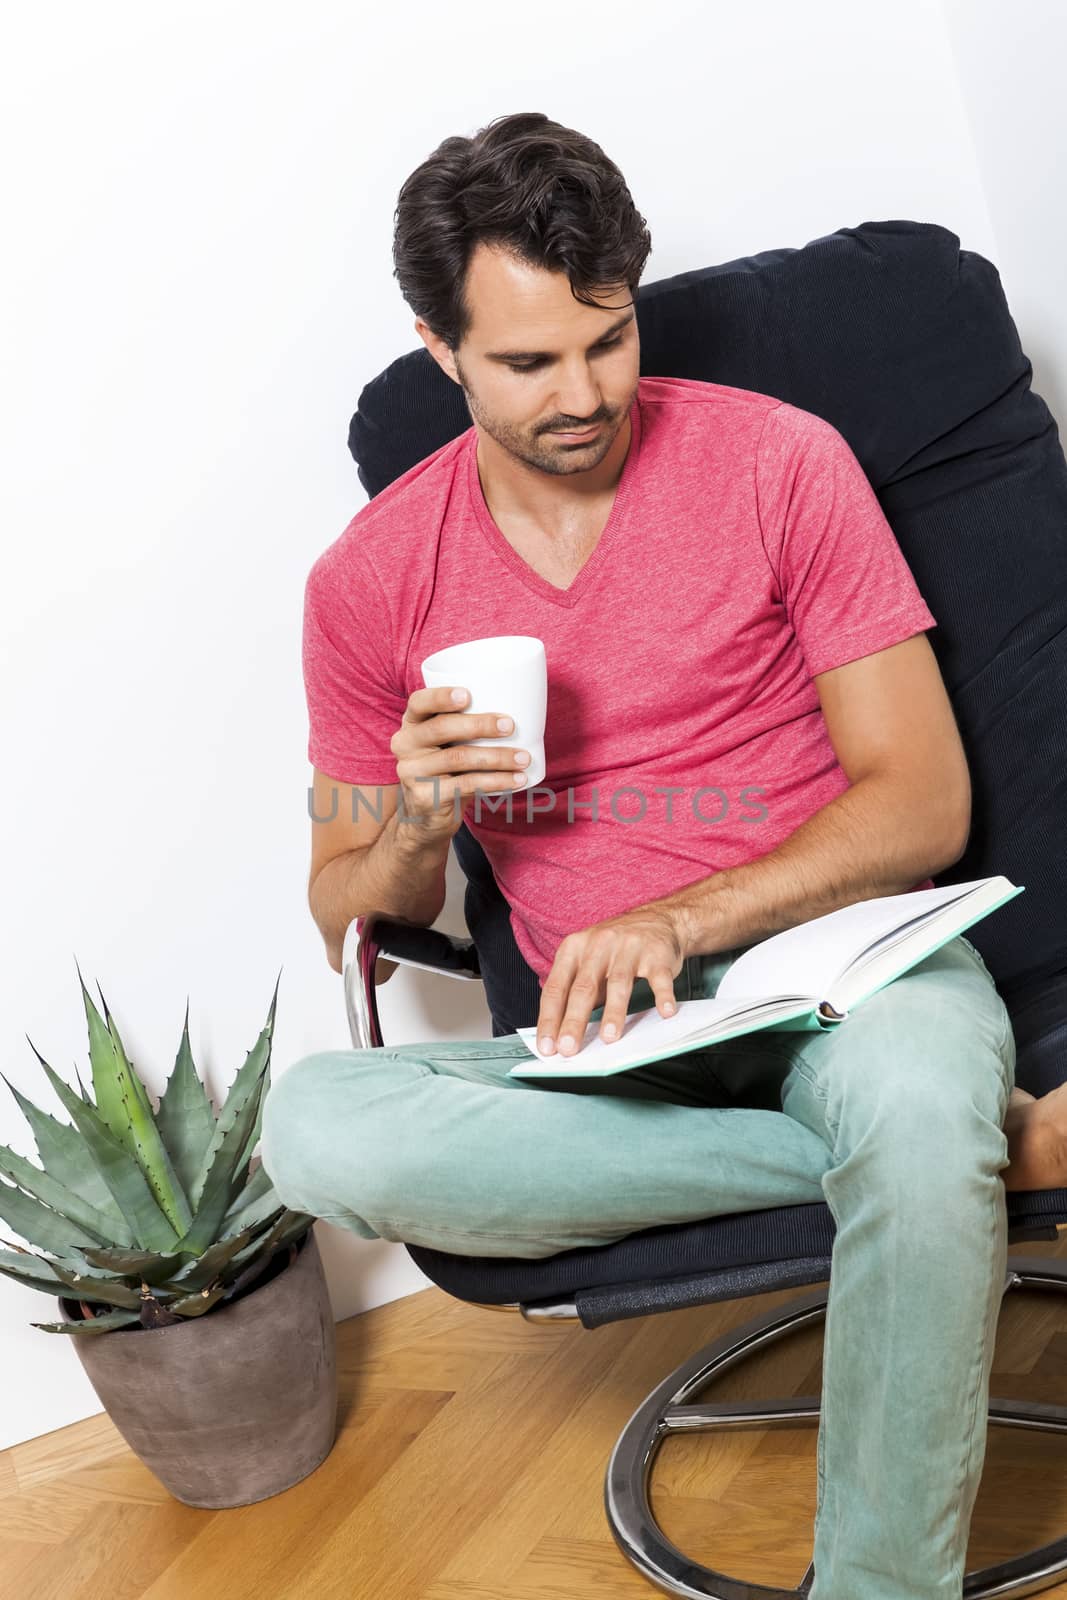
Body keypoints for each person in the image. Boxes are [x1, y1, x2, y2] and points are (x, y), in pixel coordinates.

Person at [260, 112, 1061, 1599]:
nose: (583, 396)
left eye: (608, 340)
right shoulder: (369, 584)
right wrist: (416, 819)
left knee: (900, 1082)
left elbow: (920, 802)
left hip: (851, 970)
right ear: (439, 348)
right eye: (527, 363)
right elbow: (348, 910)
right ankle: (975, 1151)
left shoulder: (778, 462)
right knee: (314, 1133)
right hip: (605, 1046)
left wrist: (680, 917)